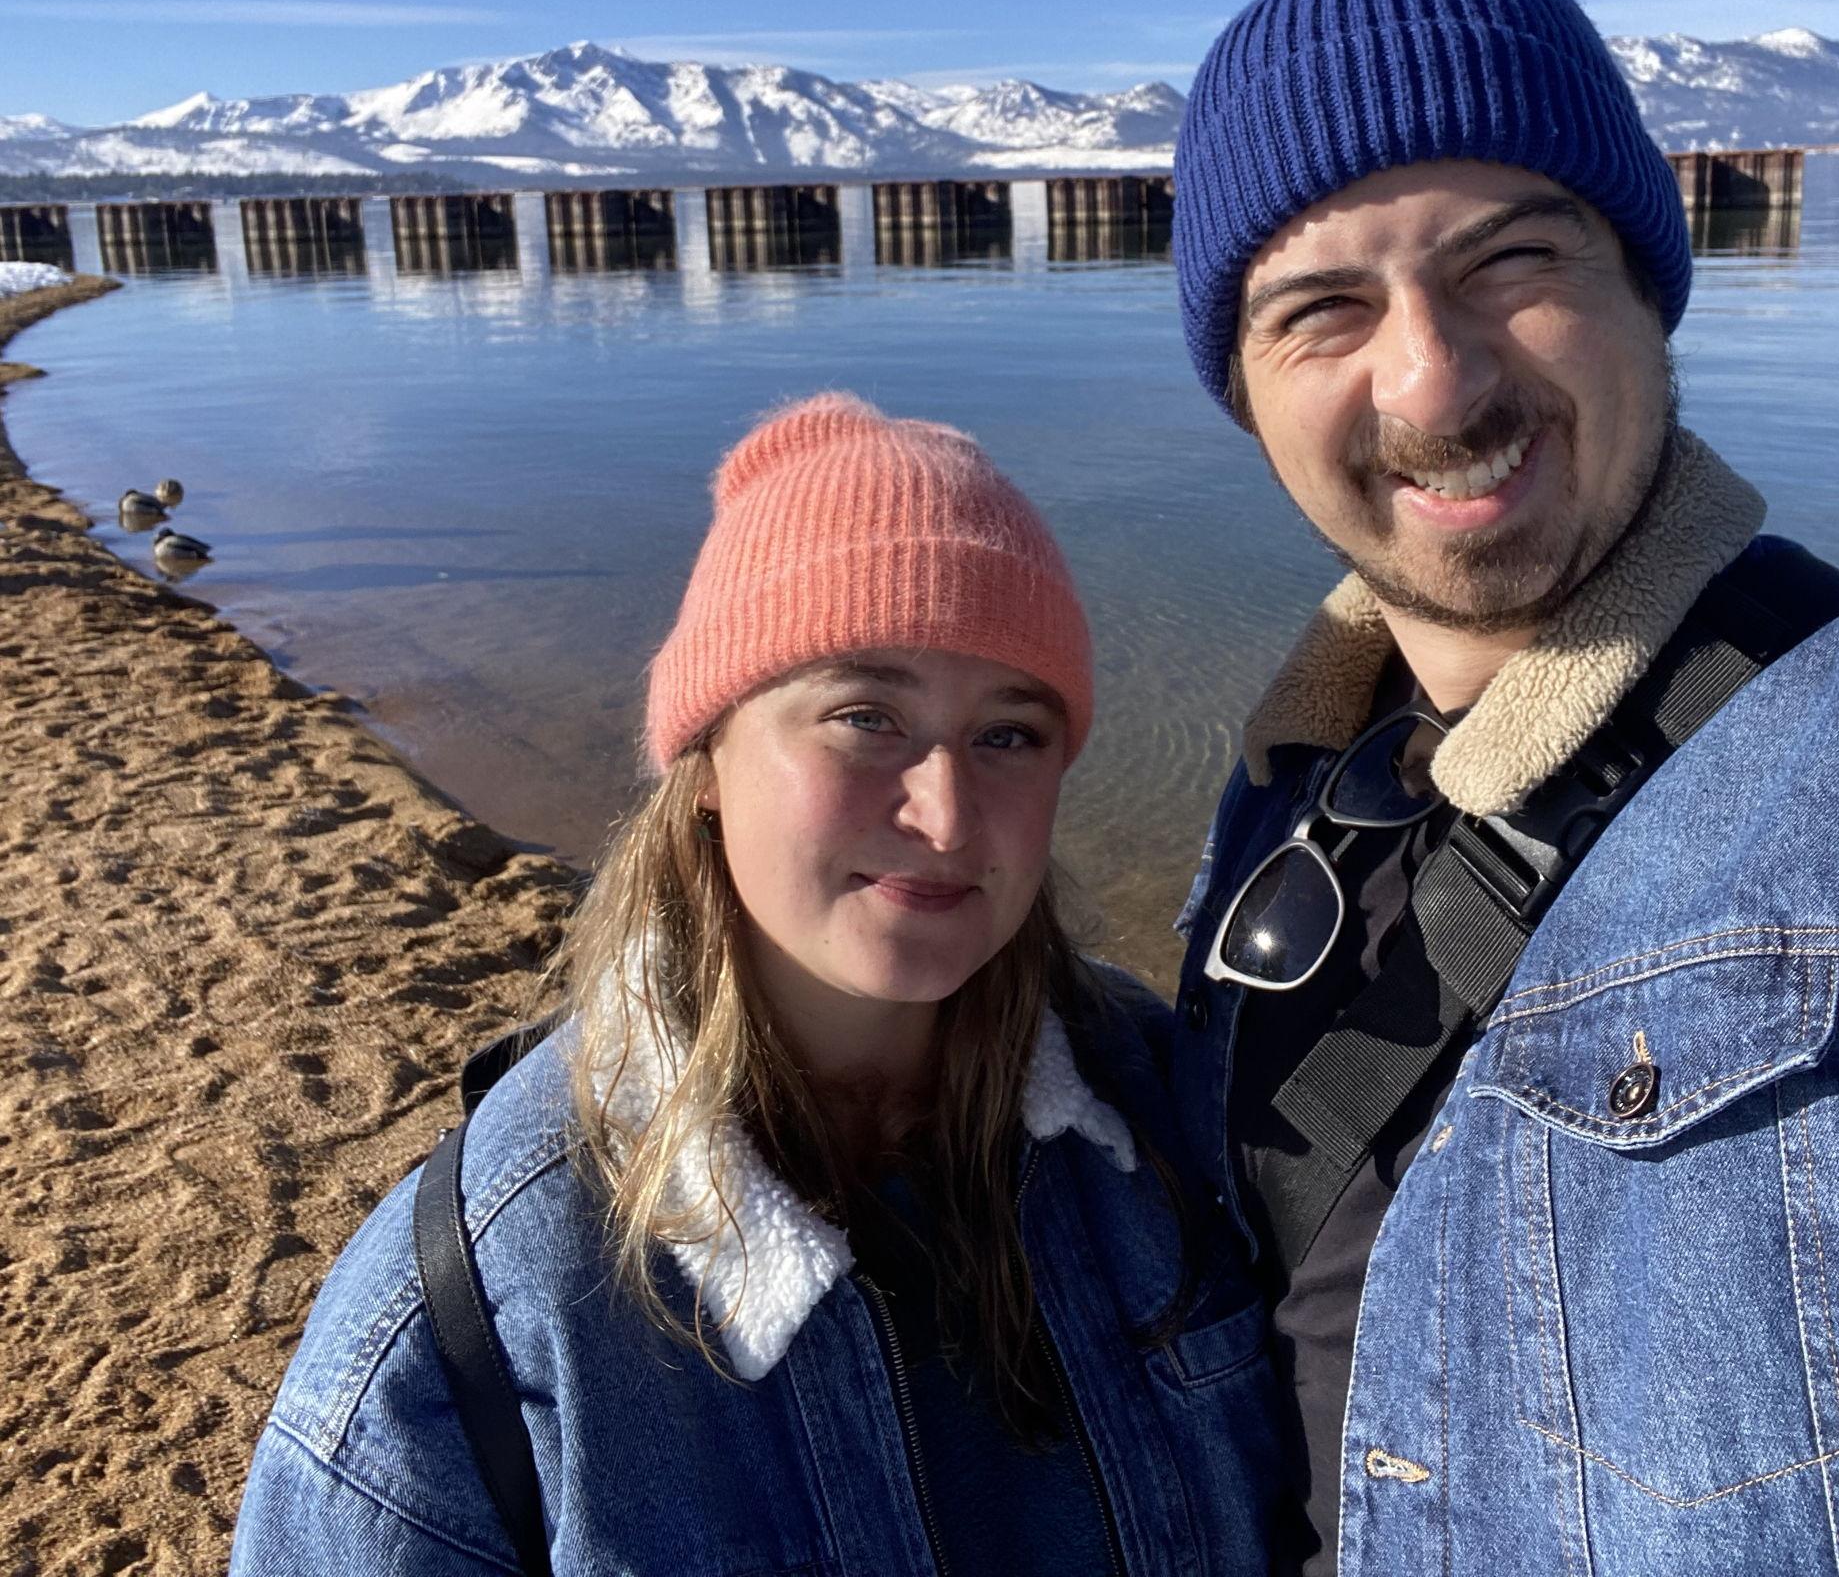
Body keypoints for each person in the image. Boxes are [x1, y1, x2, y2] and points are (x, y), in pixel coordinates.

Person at [1168, 0, 1839, 1576]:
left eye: (1511, 257)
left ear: (1645, 283)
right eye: (1319, 309)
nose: (1430, 379)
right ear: (1245, 392)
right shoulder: (1285, 799)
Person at [232, 393, 1286, 1574]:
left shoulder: (1168, 1116)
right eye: (863, 716)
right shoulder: (481, 1308)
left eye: (1008, 733)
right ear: (706, 764)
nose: (943, 814)